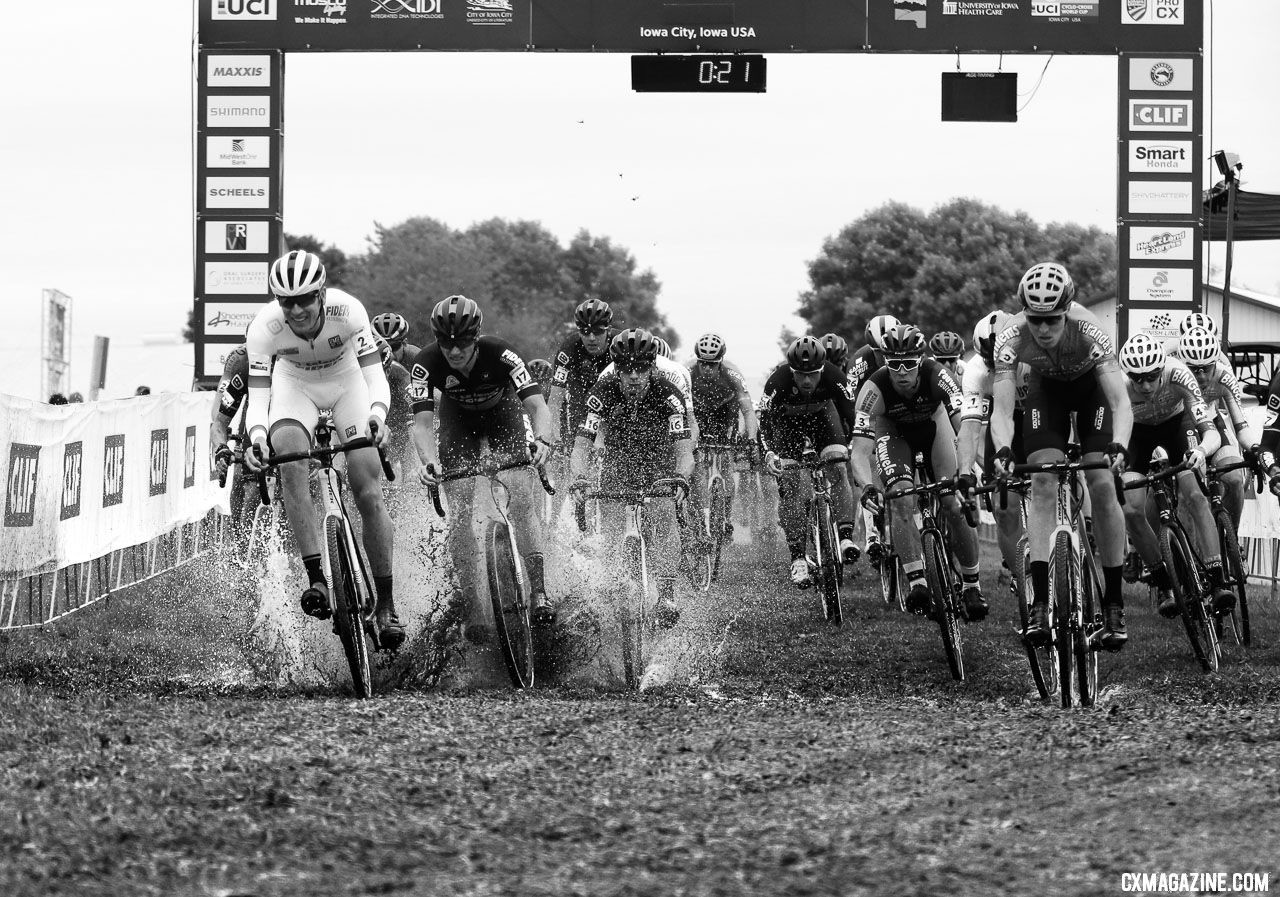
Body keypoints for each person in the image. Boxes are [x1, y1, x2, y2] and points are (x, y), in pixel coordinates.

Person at [242, 249, 404, 650]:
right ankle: (317, 576)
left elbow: (374, 378)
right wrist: (259, 437)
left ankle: (386, 605)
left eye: (304, 300)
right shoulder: (264, 329)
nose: (296, 310)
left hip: (348, 383)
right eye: (286, 301)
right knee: (290, 461)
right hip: (294, 388)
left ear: (322, 293)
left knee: (366, 485)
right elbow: (259, 397)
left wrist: (378, 416)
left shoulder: (348, 312)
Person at [990, 261, 1133, 651]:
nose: (1043, 329)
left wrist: (1118, 444)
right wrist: (1004, 448)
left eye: (1052, 319)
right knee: (1041, 481)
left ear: (1066, 310)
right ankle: (1039, 603)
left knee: (1102, 482)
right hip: (1046, 393)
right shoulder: (1010, 338)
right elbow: (1001, 412)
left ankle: (1114, 605)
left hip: (1092, 394)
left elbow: (1121, 403)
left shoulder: (1089, 330)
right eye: (1035, 320)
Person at [410, 295, 556, 636]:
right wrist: (429, 462)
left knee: (521, 494)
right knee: (460, 508)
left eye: (462, 342)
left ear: (476, 337)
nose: (454, 351)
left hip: (502, 414)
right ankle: (475, 610)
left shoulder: (501, 353)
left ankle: (540, 593)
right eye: (446, 343)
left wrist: (544, 441)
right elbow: (421, 424)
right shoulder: (425, 362)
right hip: (457, 422)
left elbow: (537, 406)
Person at [853, 324, 986, 620]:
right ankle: (918, 582)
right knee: (900, 499)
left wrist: (965, 470)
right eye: (894, 364)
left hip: (934, 426)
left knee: (951, 500)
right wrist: (865, 485)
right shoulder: (872, 390)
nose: (902, 371)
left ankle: (971, 584)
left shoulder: (939, 374)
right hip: (894, 432)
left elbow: (962, 427)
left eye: (909, 364)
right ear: (885, 362)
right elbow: (860, 450)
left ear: (920, 360)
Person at [569, 328, 694, 627]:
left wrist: (680, 477)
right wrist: (580, 478)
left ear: (652, 367)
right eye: (627, 370)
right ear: (617, 370)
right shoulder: (602, 392)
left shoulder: (669, 394)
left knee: (664, 517)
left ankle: (666, 593)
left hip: (659, 461)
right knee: (611, 528)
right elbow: (581, 446)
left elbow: (684, 450)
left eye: (641, 369)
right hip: (618, 460)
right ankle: (613, 587)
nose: (634, 377)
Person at [1116, 333, 1233, 616]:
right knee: (1131, 511)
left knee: (1193, 494)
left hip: (1177, 426)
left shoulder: (1178, 373)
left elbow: (1210, 430)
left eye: (1151, 377)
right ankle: (1163, 582)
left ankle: (1217, 581)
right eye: (1138, 378)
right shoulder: (1120, 386)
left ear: (1162, 370)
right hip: (1138, 435)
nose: (1144, 385)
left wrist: (1201, 452)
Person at [758, 336, 859, 588]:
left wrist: (851, 447)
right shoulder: (777, 382)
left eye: (812, 374)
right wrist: (770, 454)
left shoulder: (835, 376)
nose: (806, 381)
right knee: (790, 482)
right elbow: (764, 425)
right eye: (800, 374)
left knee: (837, 466)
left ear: (822, 370)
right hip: (787, 426)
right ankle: (798, 558)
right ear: (791, 371)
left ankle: (845, 537)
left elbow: (852, 414)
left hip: (823, 419)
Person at [956, 309, 1028, 591]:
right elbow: (971, 428)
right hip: (1002, 421)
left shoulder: (1033, 358)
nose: (998, 366)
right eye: (990, 360)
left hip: (1035, 416)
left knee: (1050, 481)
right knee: (1004, 506)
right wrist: (964, 472)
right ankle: (1025, 583)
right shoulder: (975, 371)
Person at [1177, 326, 1257, 533]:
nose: (1201, 376)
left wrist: (1255, 448)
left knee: (1234, 479)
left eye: (1207, 368)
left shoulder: (1224, 375)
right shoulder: (1174, 375)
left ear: (1216, 363)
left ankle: (1231, 539)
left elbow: (1240, 424)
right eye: (1194, 369)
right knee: (1189, 494)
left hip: (1213, 424)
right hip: (1182, 427)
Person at [687, 332, 760, 541]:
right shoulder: (689, 372)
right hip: (698, 414)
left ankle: (726, 517)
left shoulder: (732, 374)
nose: (707, 369)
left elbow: (747, 411)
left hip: (725, 413)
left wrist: (752, 440)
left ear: (720, 362)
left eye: (712, 364)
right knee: (698, 464)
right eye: (703, 364)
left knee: (726, 462)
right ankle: (702, 516)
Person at [547, 298, 616, 450]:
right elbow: (555, 400)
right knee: (574, 442)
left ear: (608, 330)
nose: (591, 338)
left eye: (598, 331)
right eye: (585, 332)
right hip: (581, 391)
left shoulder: (619, 346)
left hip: (613, 395)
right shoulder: (569, 348)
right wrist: (554, 439)